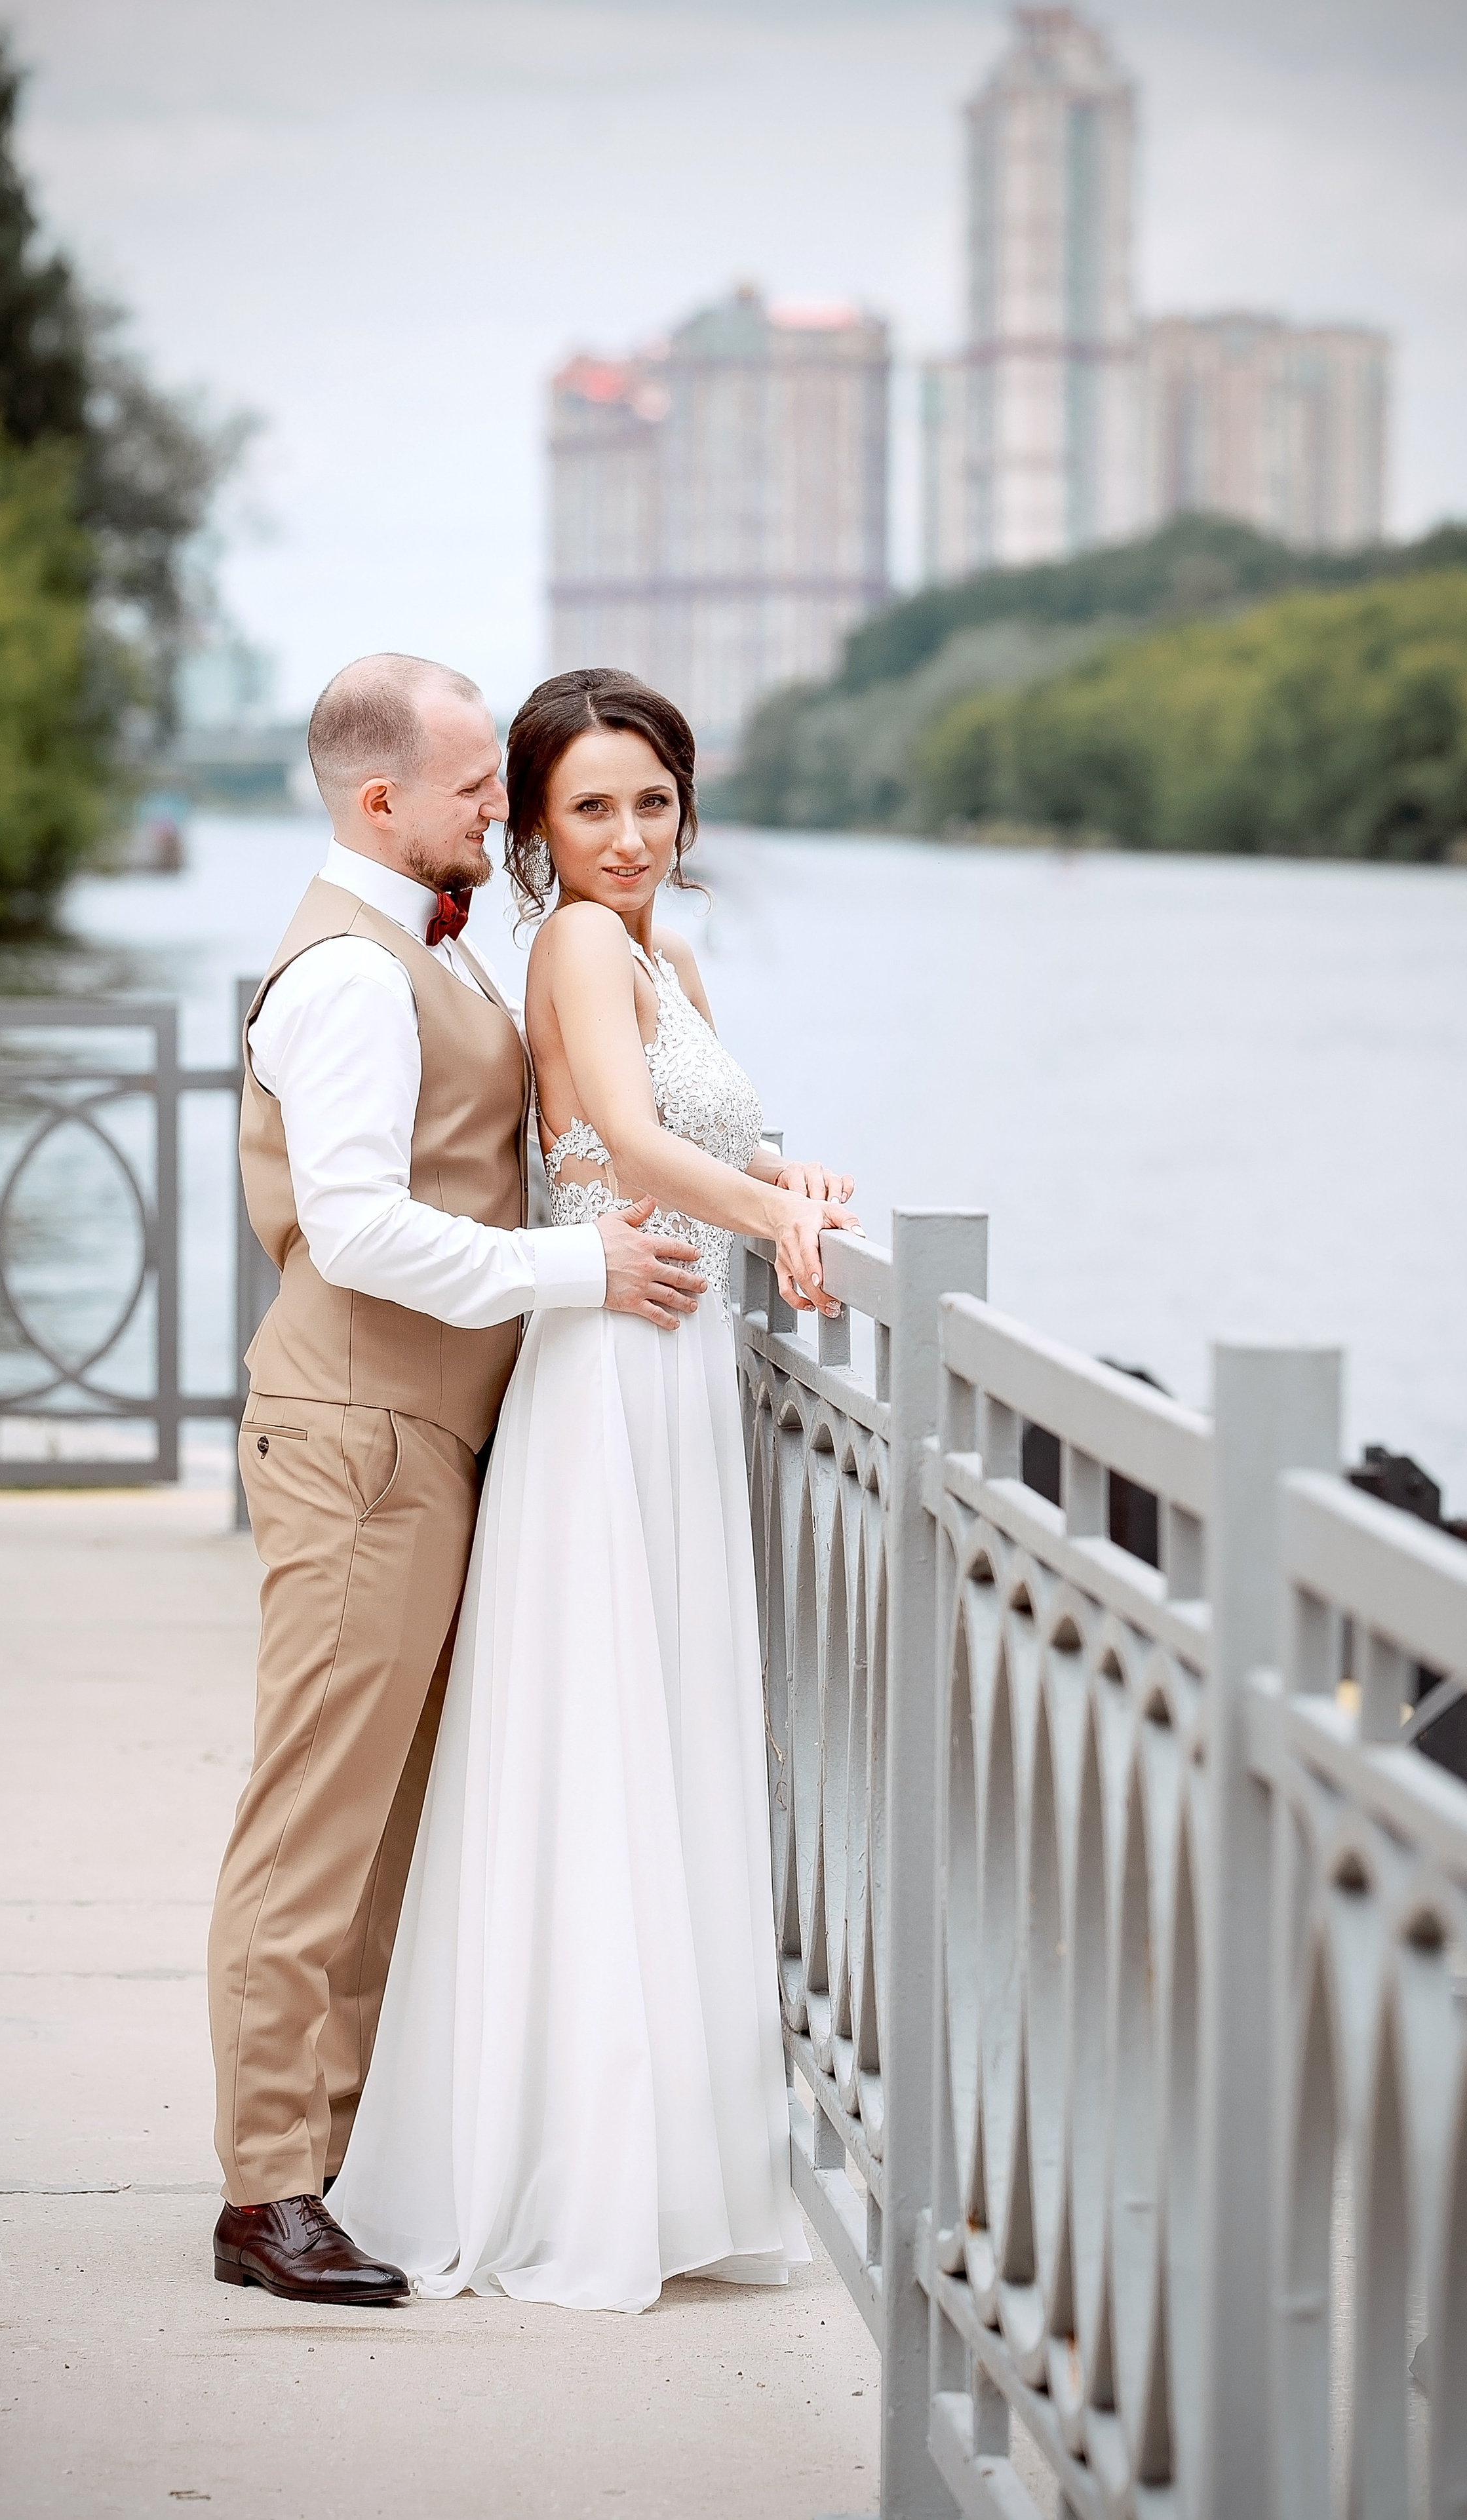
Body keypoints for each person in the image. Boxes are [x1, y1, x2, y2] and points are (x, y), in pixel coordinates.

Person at [326, 667, 857, 2312]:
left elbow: (707, 1123)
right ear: (538, 834)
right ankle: (568, 2160)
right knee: (598, 1746)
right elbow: (622, 1146)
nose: (629, 838)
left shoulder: (660, 951)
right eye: (588, 810)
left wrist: (792, 1176)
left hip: (680, 1364)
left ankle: (673, 2163)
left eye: (653, 801)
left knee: (672, 1740)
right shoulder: (564, 942)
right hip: (612, 1366)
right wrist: (765, 1225)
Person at [208, 654, 712, 2307]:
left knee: (395, 1834)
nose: (496, 813)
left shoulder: (428, 956)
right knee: (316, 1828)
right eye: (475, 789)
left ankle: (338, 2156)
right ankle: (265, 2188)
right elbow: (350, 1229)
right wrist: (578, 1277)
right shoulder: (352, 979)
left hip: (426, 1442)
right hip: (359, 1440)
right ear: (381, 802)